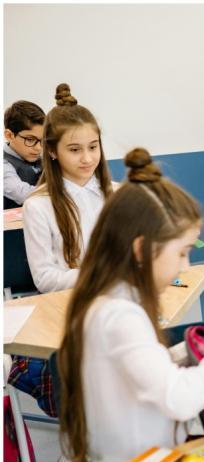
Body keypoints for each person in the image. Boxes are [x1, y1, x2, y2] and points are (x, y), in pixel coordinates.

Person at [56, 148, 204, 462]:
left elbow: (137, 370)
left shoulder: (109, 298)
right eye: (182, 253)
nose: (186, 266)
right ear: (141, 249)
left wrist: (191, 349)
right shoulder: (120, 314)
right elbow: (177, 397)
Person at [8, 84, 118, 415]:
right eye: (74, 149)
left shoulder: (115, 193)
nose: (87, 158)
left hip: (117, 304)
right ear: (52, 151)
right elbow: (44, 278)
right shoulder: (39, 206)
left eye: (93, 147)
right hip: (69, 311)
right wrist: (99, 276)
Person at [3, 100, 45, 208]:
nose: (38, 148)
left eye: (43, 140)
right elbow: (23, 194)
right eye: (30, 139)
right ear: (9, 135)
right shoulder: (3, 164)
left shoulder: (41, 157)